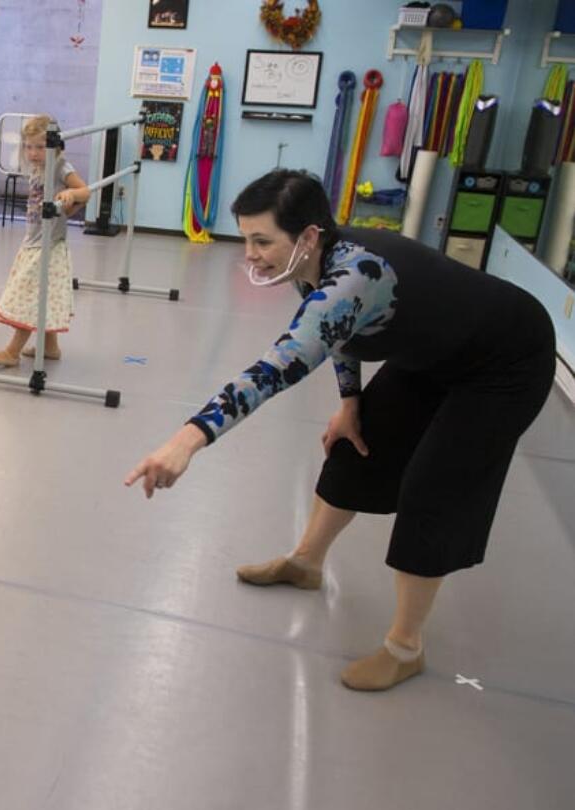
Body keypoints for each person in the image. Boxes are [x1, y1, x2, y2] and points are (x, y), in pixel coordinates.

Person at [124, 169, 555, 692]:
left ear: (307, 235)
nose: (251, 254)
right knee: (355, 446)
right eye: (246, 239)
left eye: (262, 241)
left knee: (432, 489)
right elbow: (340, 336)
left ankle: (404, 648)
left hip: (506, 361)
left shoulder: (355, 275)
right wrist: (350, 401)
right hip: (436, 354)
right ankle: (306, 564)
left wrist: (186, 440)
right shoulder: (313, 260)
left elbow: (281, 365)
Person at [0, 114, 90, 367]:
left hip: (47, 245)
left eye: (40, 147)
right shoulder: (38, 168)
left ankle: (12, 352)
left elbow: (85, 192)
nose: (33, 153)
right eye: (28, 146)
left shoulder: (60, 166)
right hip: (34, 240)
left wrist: (70, 195)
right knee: (45, 294)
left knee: (30, 295)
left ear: (56, 146)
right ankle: (51, 347)